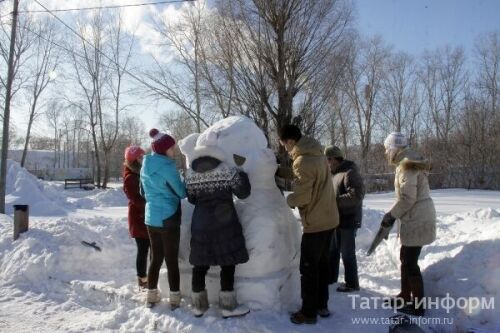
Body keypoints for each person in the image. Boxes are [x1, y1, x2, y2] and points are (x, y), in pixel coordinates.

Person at [184, 132, 251, 318]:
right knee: (227, 263)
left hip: (200, 225)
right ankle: (227, 307)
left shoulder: (190, 174)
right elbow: (243, 193)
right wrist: (242, 171)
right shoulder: (226, 170)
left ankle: (198, 306)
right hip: (225, 223)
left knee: (200, 264)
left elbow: (191, 199)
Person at [279, 124, 339, 325]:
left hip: (316, 222)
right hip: (329, 219)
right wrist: (279, 171)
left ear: (290, 141)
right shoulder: (317, 154)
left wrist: (287, 201)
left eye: (283, 144)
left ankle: (308, 312)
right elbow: (304, 175)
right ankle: (322, 305)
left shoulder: (302, 161)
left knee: (308, 269)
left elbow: (303, 196)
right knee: (321, 266)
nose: (284, 148)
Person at [382, 132, 436, 317]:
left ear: (394, 148)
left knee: (410, 263)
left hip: (417, 218)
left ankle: (418, 306)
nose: (386, 153)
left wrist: (391, 215)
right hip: (415, 217)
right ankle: (405, 296)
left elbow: (407, 198)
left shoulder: (406, 165)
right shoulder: (406, 161)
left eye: (387, 149)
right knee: (405, 257)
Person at [140, 128, 187, 309]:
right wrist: (183, 180)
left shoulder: (145, 165)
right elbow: (181, 193)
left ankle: (151, 295)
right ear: (163, 149)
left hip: (151, 218)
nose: (173, 150)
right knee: (171, 258)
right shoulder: (168, 167)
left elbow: (142, 191)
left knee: (156, 258)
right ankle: (175, 298)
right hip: (169, 217)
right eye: (171, 148)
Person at [324, 146, 364, 293]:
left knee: (347, 253)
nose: (327, 163)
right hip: (336, 220)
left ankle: (352, 284)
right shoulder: (334, 174)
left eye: (328, 159)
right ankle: (330, 280)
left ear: (335, 158)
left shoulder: (350, 172)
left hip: (349, 220)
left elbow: (356, 196)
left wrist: (333, 201)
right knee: (333, 251)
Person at [123, 145, 150, 289]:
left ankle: (151, 277)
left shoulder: (141, 173)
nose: (143, 159)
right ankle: (142, 279)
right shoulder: (130, 177)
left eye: (143, 156)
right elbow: (136, 198)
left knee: (152, 248)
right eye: (140, 157)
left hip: (146, 216)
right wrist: (150, 203)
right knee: (143, 249)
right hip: (139, 217)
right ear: (133, 161)